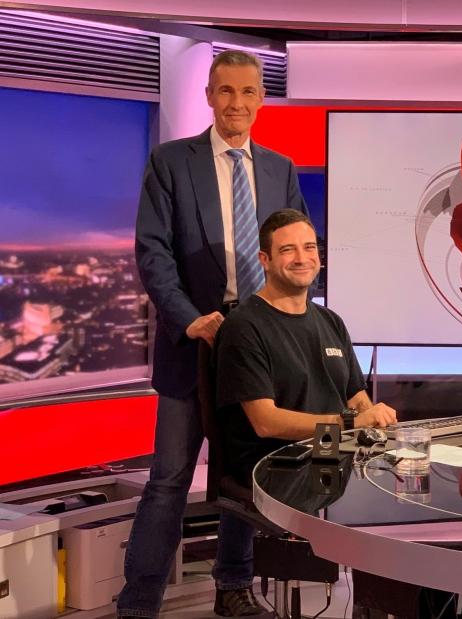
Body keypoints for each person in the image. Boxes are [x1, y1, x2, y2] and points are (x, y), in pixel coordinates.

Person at [118, 50, 307, 619]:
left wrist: (287, 326)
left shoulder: (280, 169)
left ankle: (233, 588)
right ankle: (139, 603)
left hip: (255, 350)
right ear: (208, 95)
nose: (237, 104)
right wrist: (188, 318)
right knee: (169, 479)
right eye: (226, 92)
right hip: (193, 343)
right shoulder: (172, 162)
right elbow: (152, 252)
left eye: (248, 93)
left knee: (244, 478)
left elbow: (293, 254)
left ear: (261, 100)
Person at [212, 208, 398, 602]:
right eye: (288, 250)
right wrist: (350, 422)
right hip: (277, 465)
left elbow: (356, 395)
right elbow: (265, 422)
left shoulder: (330, 321)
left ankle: (387, 604)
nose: (302, 258)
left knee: (407, 487)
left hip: (332, 456)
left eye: (310, 247)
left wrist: (375, 417)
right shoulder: (245, 327)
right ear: (265, 260)